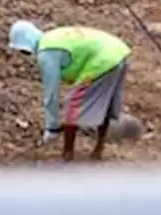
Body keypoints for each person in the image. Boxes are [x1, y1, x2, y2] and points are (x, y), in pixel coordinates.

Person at [8, 21, 133, 162]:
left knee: (73, 105)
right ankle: (98, 150)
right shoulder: (51, 38)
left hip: (103, 60)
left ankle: (67, 155)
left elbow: (51, 94)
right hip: (119, 52)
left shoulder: (46, 53)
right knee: (105, 102)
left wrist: (52, 127)